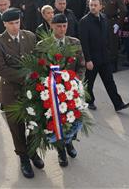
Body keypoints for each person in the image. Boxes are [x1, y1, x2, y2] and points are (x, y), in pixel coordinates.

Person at [0, 8, 43, 179]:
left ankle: (32, 151)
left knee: (35, 124)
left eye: (17, 23)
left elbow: (36, 58)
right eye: (11, 24)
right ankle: (24, 158)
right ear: (4, 24)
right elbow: (0, 68)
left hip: (31, 91)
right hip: (11, 92)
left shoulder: (29, 36)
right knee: (17, 128)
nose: (15, 27)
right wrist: (25, 76)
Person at [36, 13, 84, 167]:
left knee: (72, 118)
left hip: (71, 91)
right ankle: (61, 151)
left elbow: (81, 66)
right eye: (58, 26)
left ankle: (69, 142)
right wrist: (47, 86)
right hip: (51, 92)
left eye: (64, 26)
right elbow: (39, 70)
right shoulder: (43, 45)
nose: (62, 29)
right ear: (51, 26)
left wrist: (76, 82)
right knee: (55, 122)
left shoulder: (74, 42)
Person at [79, 0, 129, 112]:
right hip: (92, 58)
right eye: (91, 5)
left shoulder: (104, 18)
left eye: (95, 5)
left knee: (110, 82)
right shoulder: (84, 21)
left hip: (104, 57)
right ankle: (89, 101)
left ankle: (118, 104)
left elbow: (107, 38)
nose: (93, 7)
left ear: (101, 7)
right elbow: (84, 43)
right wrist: (87, 60)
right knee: (89, 83)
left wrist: (109, 53)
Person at [89, 0, 127, 72]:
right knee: (104, 43)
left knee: (113, 44)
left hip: (112, 21)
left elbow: (123, 11)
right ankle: (106, 63)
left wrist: (118, 24)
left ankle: (114, 65)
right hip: (103, 20)